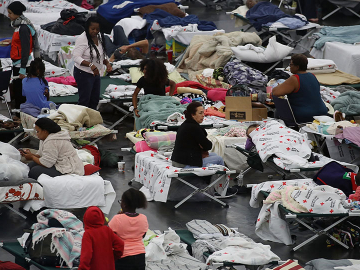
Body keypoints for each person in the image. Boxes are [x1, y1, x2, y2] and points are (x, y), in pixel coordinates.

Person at [20, 118, 84, 179]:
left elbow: (46, 163)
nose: (37, 134)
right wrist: (30, 155)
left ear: (45, 131)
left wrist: (32, 157)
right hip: (56, 163)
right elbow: (41, 156)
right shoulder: (45, 138)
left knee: (35, 171)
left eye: (38, 131)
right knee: (31, 165)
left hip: (68, 168)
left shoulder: (52, 141)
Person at [272, 54, 328, 123]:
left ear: (297, 67)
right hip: (322, 111)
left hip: (305, 115)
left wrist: (280, 86)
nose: (290, 66)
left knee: (278, 111)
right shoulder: (312, 75)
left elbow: (275, 92)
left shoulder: (295, 78)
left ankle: (289, 128)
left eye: (291, 64)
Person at [4, 1, 40, 109]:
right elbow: (21, 41)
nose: (8, 15)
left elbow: (26, 49)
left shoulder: (23, 28)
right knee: (17, 90)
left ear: (17, 14)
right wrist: (12, 41)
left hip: (22, 64)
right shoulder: (18, 26)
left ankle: (21, 114)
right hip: (18, 62)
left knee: (20, 92)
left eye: (10, 13)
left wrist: (23, 68)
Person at [73, 16, 112, 110]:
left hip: (95, 73)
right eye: (92, 29)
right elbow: (76, 57)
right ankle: (81, 121)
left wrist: (107, 63)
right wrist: (91, 65)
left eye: (97, 29)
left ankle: (91, 120)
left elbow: (100, 54)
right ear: (87, 28)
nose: (95, 31)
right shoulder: (83, 39)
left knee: (94, 99)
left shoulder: (99, 37)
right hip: (83, 73)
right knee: (84, 100)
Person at [171, 102, 224, 168]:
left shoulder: (185, 124)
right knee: (219, 159)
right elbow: (208, 146)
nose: (203, 115)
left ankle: (207, 177)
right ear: (193, 115)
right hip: (184, 163)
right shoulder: (194, 128)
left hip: (177, 160)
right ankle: (220, 178)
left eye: (203, 112)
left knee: (214, 155)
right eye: (200, 113)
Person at [109, 188, 148, 270]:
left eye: (121, 201)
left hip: (122, 256)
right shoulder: (143, 218)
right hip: (140, 255)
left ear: (124, 204)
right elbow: (143, 235)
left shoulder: (117, 219)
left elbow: (109, 236)